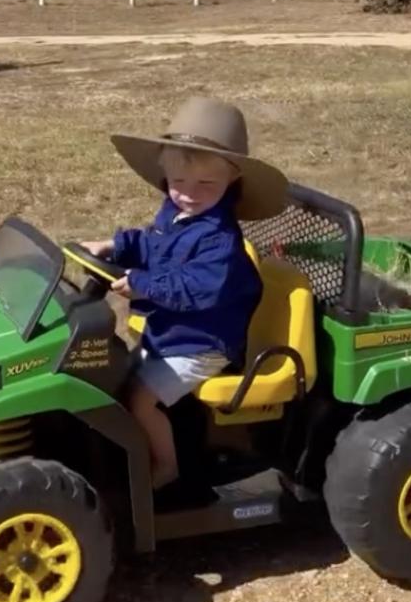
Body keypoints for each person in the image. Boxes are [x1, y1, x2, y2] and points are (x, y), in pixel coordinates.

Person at [84, 95, 288, 504]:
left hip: (202, 342)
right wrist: (114, 245)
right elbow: (153, 244)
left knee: (140, 399)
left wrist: (141, 284)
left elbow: (192, 289)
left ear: (231, 180)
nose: (189, 194)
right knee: (113, 372)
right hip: (171, 331)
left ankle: (166, 467)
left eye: (205, 185)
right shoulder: (177, 214)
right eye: (178, 184)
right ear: (165, 176)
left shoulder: (219, 241)